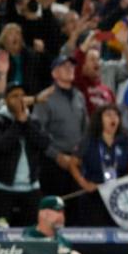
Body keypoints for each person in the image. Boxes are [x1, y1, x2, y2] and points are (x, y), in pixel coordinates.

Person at [69, 104, 128, 226]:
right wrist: (84, 183)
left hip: (118, 194)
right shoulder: (90, 139)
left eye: (116, 115)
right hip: (95, 193)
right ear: (99, 119)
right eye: (108, 115)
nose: (113, 118)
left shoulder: (125, 138)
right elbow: (73, 163)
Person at [33, 55, 88, 205]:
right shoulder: (45, 98)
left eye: (72, 66)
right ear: (54, 73)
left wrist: (82, 153)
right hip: (53, 164)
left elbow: (86, 128)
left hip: (76, 161)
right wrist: (56, 156)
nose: (70, 69)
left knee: (76, 207)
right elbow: (37, 133)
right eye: (65, 66)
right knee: (55, 206)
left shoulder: (79, 96)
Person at [0, 82, 51, 226]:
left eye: (22, 96)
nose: (20, 99)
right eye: (15, 96)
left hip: (31, 188)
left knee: (32, 231)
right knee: (1, 233)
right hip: (2, 188)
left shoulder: (33, 120)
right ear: (6, 100)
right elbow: (2, 146)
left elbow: (43, 143)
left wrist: (25, 122)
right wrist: (18, 123)